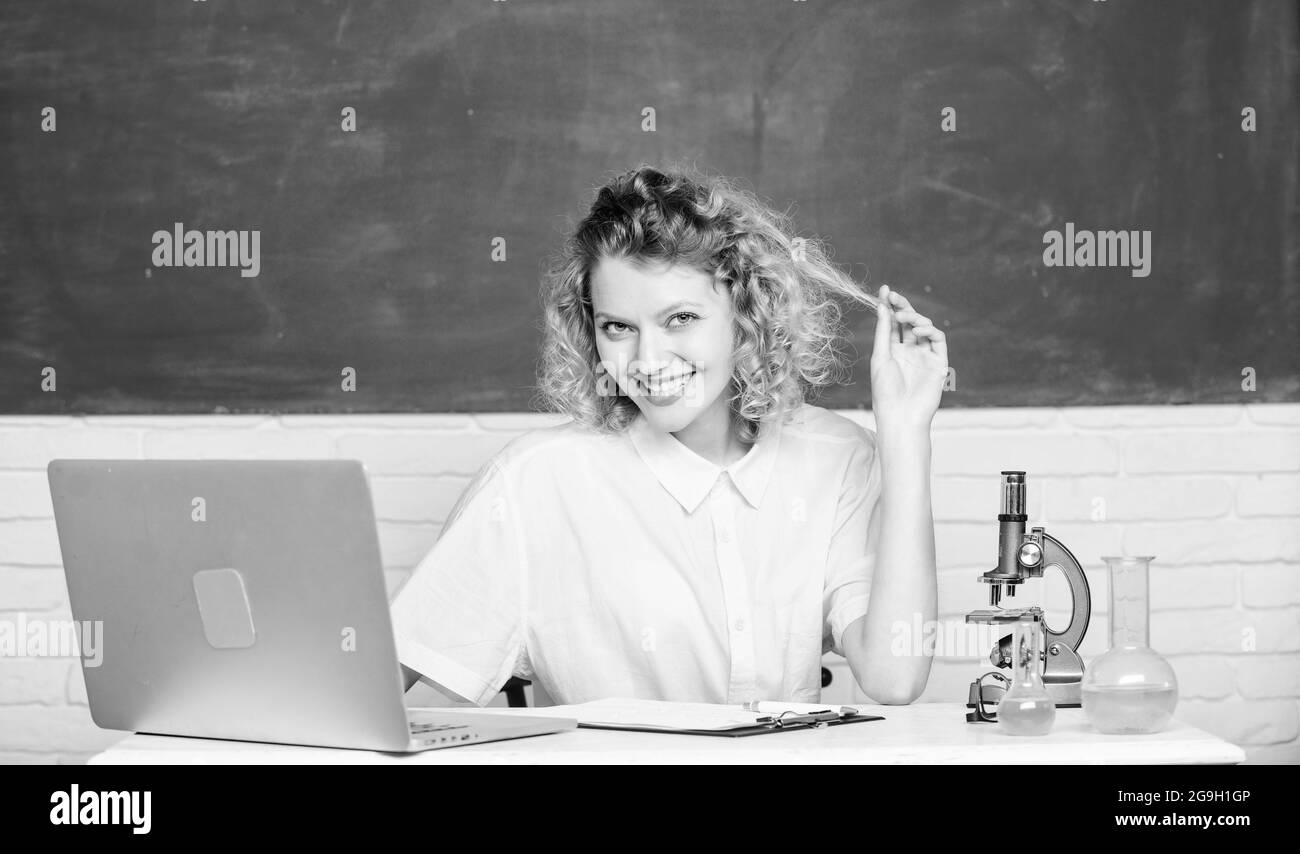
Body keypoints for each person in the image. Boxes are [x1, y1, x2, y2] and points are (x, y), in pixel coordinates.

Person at [393, 163, 944, 706]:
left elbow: (894, 677)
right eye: (618, 327)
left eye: (680, 318)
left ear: (747, 312)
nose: (647, 360)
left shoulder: (838, 457)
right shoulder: (536, 480)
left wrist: (905, 435)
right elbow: (366, 688)